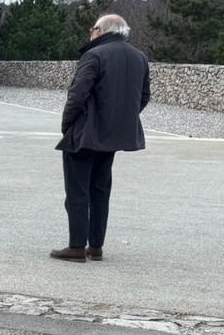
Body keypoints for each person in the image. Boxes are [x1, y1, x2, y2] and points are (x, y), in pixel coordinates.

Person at [51, 13, 151, 262]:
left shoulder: (94, 55)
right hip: (113, 136)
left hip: (85, 134)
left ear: (103, 30)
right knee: (100, 189)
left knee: (77, 191)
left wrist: (67, 125)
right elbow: (144, 96)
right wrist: (119, 118)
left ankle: (76, 246)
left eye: (93, 28)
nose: (90, 32)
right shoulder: (139, 57)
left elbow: (77, 95)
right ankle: (95, 246)